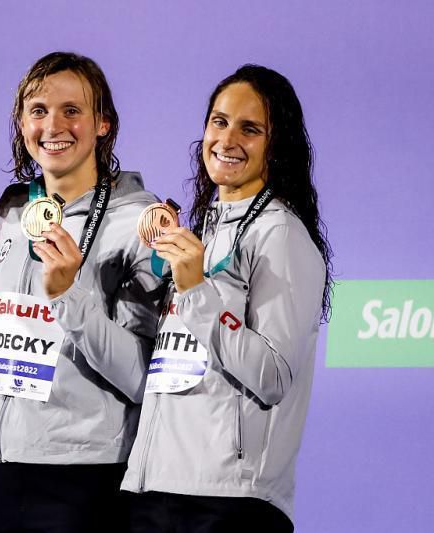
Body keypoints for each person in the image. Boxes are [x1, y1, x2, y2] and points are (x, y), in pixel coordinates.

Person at [122, 64, 333, 533]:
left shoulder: (281, 234)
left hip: (229, 502)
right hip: (154, 488)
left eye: (250, 128)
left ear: (276, 146)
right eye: (219, 121)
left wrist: (197, 290)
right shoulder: (200, 233)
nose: (228, 138)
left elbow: (273, 375)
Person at [0, 52, 161, 533]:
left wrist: (71, 296)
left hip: (85, 475)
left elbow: (145, 380)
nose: (54, 125)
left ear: (103, 124)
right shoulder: (12, 211)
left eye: (72, 110)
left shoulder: (142, 222)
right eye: (38, 110)